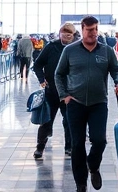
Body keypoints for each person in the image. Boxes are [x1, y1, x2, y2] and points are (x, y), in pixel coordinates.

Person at [54, 16, 118, 192]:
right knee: (77, 144)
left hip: (99, 103)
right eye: (89, 30)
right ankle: (81, 183)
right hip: (75, 103)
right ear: (82, 29)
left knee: (99, 140)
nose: (93, 33)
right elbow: (58, 74)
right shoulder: (70, 51)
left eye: (95, 29)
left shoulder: (106, 51)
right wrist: (64, 96)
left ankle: (93, 166)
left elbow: (117, 70)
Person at [32, 22, 76, 159]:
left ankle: (69, 147)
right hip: (51, 90)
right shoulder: (51, 47)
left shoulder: (77, 48)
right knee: (46, 120)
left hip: (69, 91)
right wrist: (41, 79)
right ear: (59, 33)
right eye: (64, 33)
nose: (67, 36)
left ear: (73, 35)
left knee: (69, 120)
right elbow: (37, 64)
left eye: (70, 34)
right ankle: (40, 147)